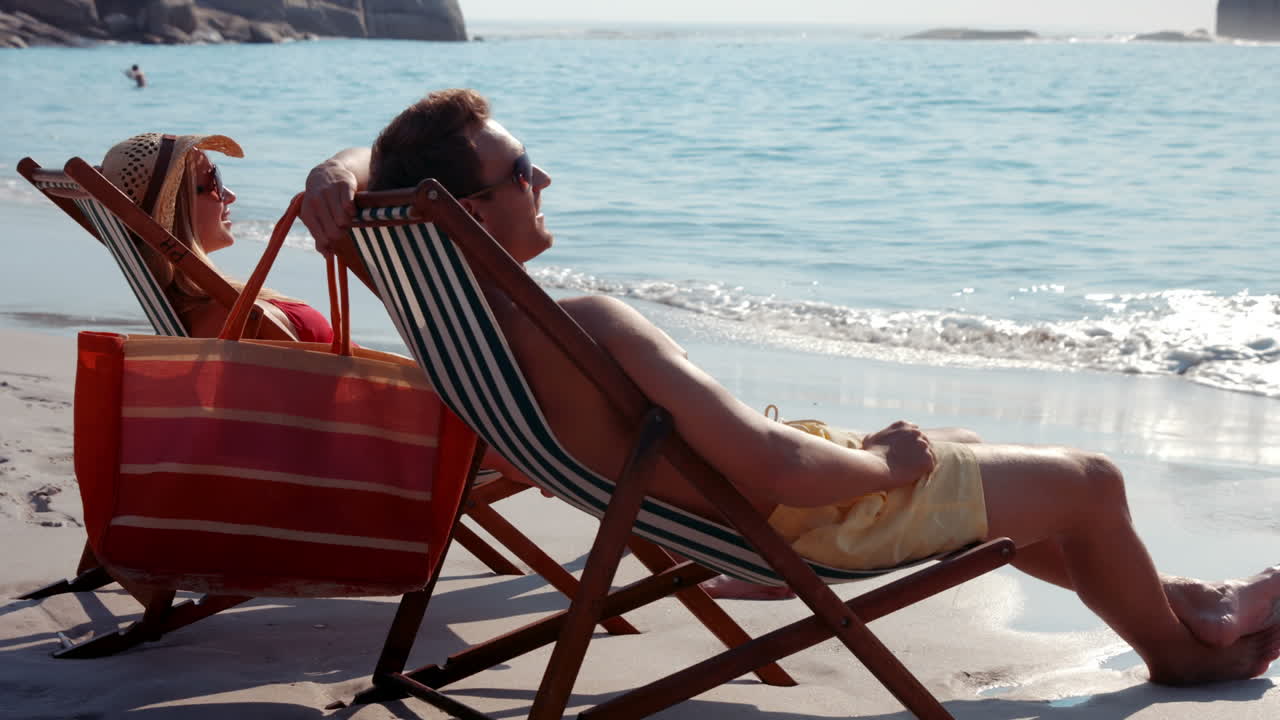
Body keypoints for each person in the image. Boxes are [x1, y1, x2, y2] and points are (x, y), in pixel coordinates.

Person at [300, 89, 1280, 687]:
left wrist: (337, 175)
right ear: (473, 208)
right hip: (806, 520)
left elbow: (351, 174)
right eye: (522, 169)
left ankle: (1173, 596)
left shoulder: (450, 312)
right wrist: (878, 463)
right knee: (1091, 480)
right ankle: (1185, 652)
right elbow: (774, 465)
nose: (543, 175)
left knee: (977, 450)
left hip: (733, 512)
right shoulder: (587, 324)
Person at [102, 133, 332, 341]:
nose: (230, 195)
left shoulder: (201, 308)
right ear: (180, 207)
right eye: (215, 181)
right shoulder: (226, 319)